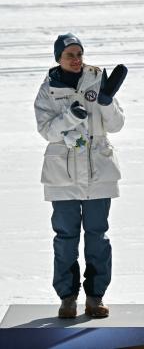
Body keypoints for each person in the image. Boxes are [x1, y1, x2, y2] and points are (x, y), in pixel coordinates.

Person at [34, 33, 127, 318]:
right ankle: (68, 298)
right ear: (58, 59)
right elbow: (46, 130)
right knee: (65, 238)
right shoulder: (48, 89)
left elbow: (117, 125)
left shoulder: (97, 79)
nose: (76, 60)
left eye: (79, 54)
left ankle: (95, 297)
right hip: (63, 177)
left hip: (99, 175)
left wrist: (107, 101)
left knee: (98, 237)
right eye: (69, 55)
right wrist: (70, 118)